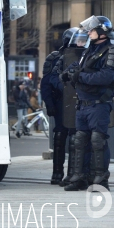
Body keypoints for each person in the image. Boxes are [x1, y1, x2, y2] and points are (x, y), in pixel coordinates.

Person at [61, 16, 114, 191]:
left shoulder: (110, 50)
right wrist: (68, 73)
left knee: (97, 140)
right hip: (82, 103)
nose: (88, 33)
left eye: (91, 30)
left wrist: (80, 77)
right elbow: (77, 66)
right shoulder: (89, 50)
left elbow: (105, 77)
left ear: (101, 32)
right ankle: (79, 178)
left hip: (98, 103)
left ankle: (100, 179)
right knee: (79, 140)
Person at [40, 27, 78, 185]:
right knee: (60, 136)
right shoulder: (54, 58)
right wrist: (49, 104)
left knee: (76, 139)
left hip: (77, 102)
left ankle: (73, 174)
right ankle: (57, 173)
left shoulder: (83, 56)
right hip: (61, 103)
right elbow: (46, 84)